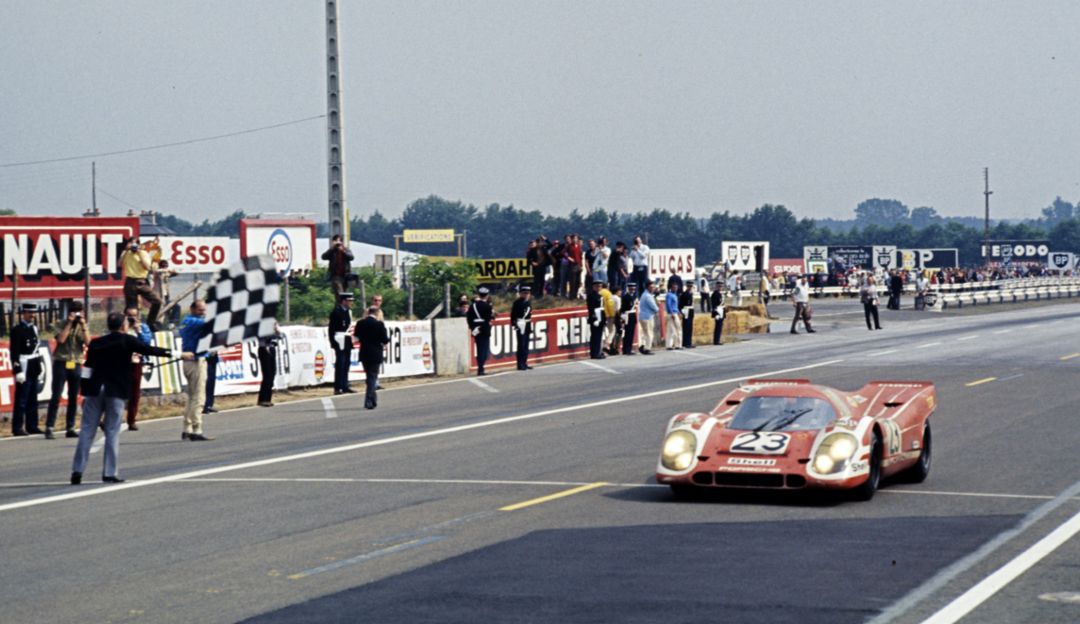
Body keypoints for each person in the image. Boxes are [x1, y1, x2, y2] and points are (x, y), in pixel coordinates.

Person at [71, 311, 174, 485]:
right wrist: (174, 353)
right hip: (115, 390)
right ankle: (109, 472)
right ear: (123, 326)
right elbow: (149, 349)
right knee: (112, 431)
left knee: (87, 430)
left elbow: (87, 367)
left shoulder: (97, 343)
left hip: (95, 389)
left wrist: (85, 390)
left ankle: (77, 471)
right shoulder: (127, 341)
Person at [46, 301, 89, 439]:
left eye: (79, 312)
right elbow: (61, 340)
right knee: (56, 395)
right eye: (75, 312)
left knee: (73, 396)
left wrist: (83, 326)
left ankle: (70, 426)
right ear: (69, 312)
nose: (77, 314)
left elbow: (88, 343)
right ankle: (50, 426)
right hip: (61, 362)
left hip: (75, 362)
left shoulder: (83, 325)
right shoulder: (60, 323)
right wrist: (69, 324)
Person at [179, 300, 215, 441]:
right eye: (200, 310)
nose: (203, 312)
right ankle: (197, 429)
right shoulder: (195, 322)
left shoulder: (186, 321)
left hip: (188, 361)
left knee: (191, 396)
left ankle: (186, 428)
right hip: (195, 362)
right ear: (192, 309)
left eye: (204, 310)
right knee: (199, 397)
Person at [9, 303, 44, 436]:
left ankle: (32, 425)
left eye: (33, 313)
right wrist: (17, 370)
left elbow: (37, 350)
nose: (32, 315)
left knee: (33, 398)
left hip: (33, 365)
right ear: (23, 313)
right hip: (24, 365)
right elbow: (14, 352)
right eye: (29, 313)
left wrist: (39, 368)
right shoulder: (17, 330)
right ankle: (17, 427)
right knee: (21, 399)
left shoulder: (34, 328)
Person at [119, 236, 162, 330]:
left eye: (135, 244)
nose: (133, 246)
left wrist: (139, 253)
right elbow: (119, 264)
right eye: (131, 244)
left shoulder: (143, 253)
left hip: (141, 281)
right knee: (131, 309)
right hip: (130, 281)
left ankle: (151, 322)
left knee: (157, 301)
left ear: (139, 245)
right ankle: (125, 326)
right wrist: (125, 250)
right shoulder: (127, 253)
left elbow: (147, 267)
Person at [354, 306, 390, 409]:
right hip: (375, 353)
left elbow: (356, 336)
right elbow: (385, 340)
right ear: (377, 313)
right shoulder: (379, 324)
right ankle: (369, 400)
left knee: (369, 376)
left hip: (364, 353)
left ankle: (373, 400)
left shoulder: (360, 323)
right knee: (372, 377)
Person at [124, 306, 153, 431]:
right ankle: (107, 418)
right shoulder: (120, 326)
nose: (132, 318)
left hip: (136, 362)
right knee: (117, 392)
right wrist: (124, 328)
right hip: (121, 363)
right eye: (129, 315)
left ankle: (132, 420)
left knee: (134, 393)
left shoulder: (143, 327)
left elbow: (146, 343)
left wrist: (138, 330)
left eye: (134, 316)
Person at [329, 292, 356, 394]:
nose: (351, 303)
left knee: (346, 363)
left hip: (346, 339)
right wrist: (333, 342)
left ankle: (345, 385)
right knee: (340, 363)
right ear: (343, 301)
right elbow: (332, 329)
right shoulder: (336, 312)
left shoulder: (348, 312)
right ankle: (338, 387)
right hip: (339, 339)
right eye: (349, 301)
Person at [466, 286, 495, 375]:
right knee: (484, 349)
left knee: (479, 348)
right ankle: (481, 368)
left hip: (476, 328)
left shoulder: (472, 306)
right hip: (484, 329)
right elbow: (488, 318)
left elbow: (469, 318)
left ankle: (480, 367)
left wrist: (472, 327)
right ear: (486, 295)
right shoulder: (487, 306)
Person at [257, 323, 284, 407]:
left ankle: (268, 398)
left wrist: (276, 330)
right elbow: (262, 336)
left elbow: (281, 336)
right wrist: (271, 332)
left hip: (272, 348)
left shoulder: (274, 323)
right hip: (264, 348)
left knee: (272, 373)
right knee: (267, 374)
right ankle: (263, 399)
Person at [510, 285, 533, 370]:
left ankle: (524, 362)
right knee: (521, 345)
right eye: (525, 293)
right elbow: (513, 315)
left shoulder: (528, 302)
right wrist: (514, 325)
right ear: (521, 294)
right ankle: (520, 364)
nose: (527, 295)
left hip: (527, 324)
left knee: (526, 345)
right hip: (520, 324)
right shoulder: (517, 303)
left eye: (528, 293)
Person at [637, 282, 659, 355]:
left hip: (643, 316)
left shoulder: (644, 294)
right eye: (651, 287)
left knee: (645, 333)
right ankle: (647, 349)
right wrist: (657, 309)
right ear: (647, 287)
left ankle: (642, 346)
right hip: (647, 316)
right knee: (649, 333)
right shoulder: (648, 296)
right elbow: (653, 306)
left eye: (653, 287)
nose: (653, 288)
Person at [587, 280, 606, 359]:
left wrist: (604, 319)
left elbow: (602, 308)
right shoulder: (591, 295)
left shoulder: (600, 295)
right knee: (595, 335)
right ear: (593, 287)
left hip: (600, 316)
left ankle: (598, 351)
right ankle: (594, 353)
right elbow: (591, 308)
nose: (599, 288)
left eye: (600, 286)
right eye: (597, 286)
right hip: (595, 316)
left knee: (599, 335)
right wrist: (594, 318)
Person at [620, 282, 638, 356]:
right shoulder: (626, 297)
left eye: (633, 288)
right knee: (628, 333)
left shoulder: (633, 296)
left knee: (631, 333)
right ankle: (626, 349)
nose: (633, 290)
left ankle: (629, 348)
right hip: (628, 314)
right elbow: (625, 307)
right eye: (631, 289)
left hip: (632, 315)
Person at [665, 285, 682, 350]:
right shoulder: (669, 295)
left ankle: (678, 344)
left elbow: (676, 306)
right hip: (672, 313)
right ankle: (669, 345)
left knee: (678, 329)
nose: (675, 289)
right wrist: (671, 312)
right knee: (671, 330)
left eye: (676, 288)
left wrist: (679, 312)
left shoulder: (675, 295)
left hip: (676, 312)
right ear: (671, 288)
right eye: (674, 288)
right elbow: (668, 304)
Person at [679, 283, 696, 349]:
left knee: (690, 327)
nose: (690, 287)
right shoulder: (684, 294)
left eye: (691, 286)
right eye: (689, 286)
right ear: (687, 286)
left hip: (690, 311)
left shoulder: (691, 294)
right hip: (686, 310)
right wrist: (681, 311)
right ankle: (686, 342)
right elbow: (681, 304)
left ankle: (689, 342)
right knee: (686, 327)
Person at [710, 281, 726, 345]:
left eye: (721, 286)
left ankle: (718, 340)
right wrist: (715, 313)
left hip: (721, 310)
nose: (720, 287)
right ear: (716, 286)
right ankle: (716, 341)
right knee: (718, 326)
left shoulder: (720, 294)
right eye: (719, 286)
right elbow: (713, 304)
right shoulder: (715, 294)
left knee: (720, 326)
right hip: (718, 310)